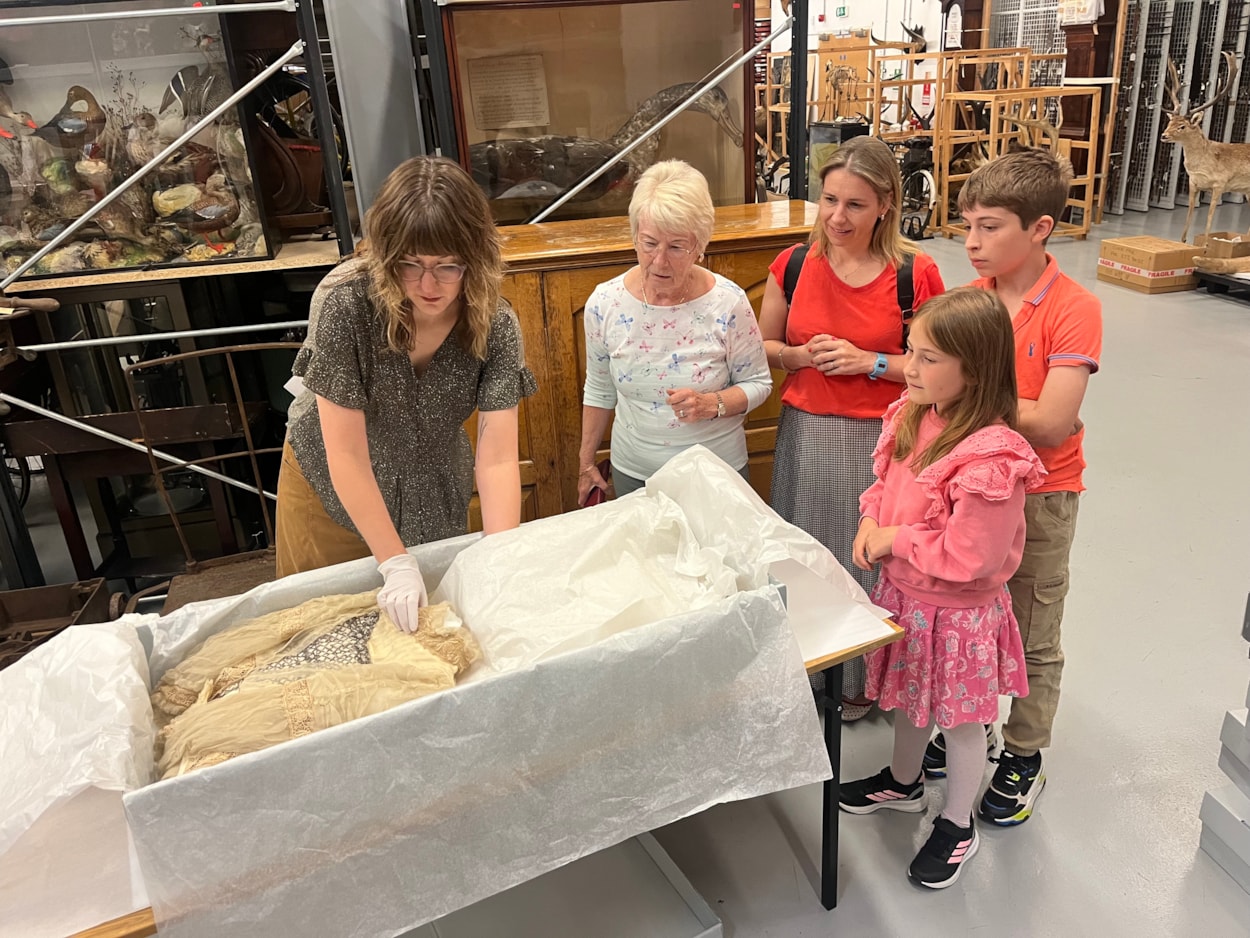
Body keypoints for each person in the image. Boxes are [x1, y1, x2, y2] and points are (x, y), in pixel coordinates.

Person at [837, 287, 1045, 889]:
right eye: (910, 351)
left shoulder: (991, 461)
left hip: (958, 615)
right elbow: (885, 483)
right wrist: (873, 521)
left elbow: (969, 556)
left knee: (958, 722)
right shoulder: (912, 413)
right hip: (907, 598)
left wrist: (894, 540)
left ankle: (957, 821)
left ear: (973, 371)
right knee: (906, 697)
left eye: (929, 358)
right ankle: (902, 783)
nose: (911, 367)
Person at [275, 156, 537, 632]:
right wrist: (394, 561)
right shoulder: (345, 305)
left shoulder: (496, 325)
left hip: (433, 491)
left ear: (474, 259)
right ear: (385, 255)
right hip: (332, 490)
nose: (428, 285)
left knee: (432, 636)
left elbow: (497, 458)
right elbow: (347, 455)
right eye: (409, 265)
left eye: (447, 267)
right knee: (322, 633)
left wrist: (502, 556)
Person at [920, 148, 1102, 826]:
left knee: (1031, 626)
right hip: (968, 491)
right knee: (966, 613)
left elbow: (1052, 426)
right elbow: (941, 389)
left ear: (1041, 228)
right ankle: (974, 727)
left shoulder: (1073, 309)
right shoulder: (970, 302)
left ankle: (1024, 751)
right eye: (967, 225)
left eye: (989, 226)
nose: (971, 241)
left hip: (1043, 495)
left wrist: (971, 398)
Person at [757, 136, 944, 718]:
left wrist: (871, 362)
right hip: (804, 431)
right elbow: (764, 347)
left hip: (880, 437)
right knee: (801, 551)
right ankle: (805, 665)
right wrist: (800, 357)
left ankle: (862, 680)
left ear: (886, 204)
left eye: (855, 205)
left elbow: (940, 368)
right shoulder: (792, 264)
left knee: (862, 556)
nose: (837, 217)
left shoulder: (915, 275)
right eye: (829, 200)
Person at [577, 160, 771, 502]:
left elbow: (759, 383)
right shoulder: (604, 303)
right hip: (635, 476)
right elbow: (599, 388)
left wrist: (713, 403)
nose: (659, 260)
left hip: (716, 475)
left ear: (700, 245)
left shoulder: (728, 303)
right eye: (649, 243)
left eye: (677, 247)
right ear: (635, 235)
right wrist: (585, 462)